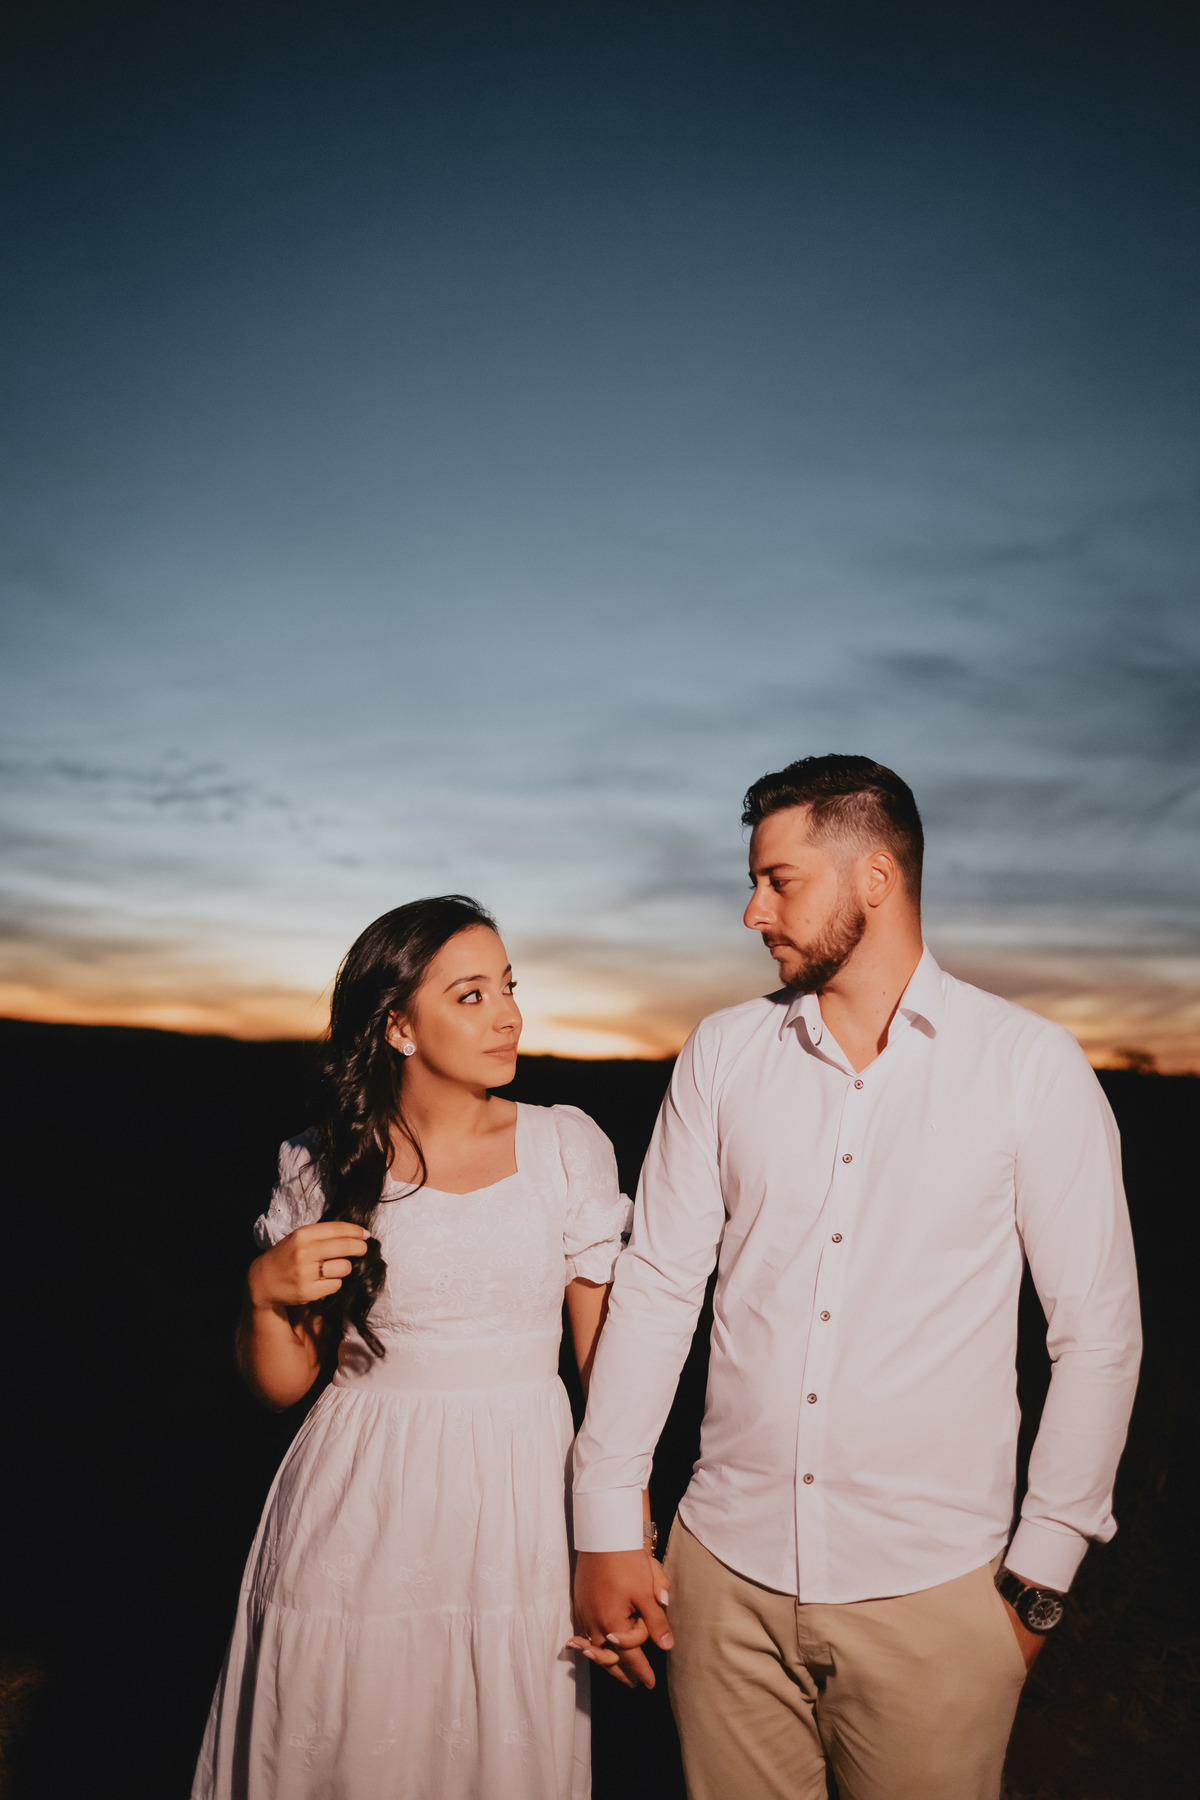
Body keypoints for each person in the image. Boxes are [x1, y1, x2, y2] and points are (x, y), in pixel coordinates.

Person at [570, 756, 1142, 1800]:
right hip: (722, 1581)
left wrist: (1039, 1584)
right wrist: (608, 1522)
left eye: (779, 881)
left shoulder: (1028, 1065)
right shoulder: (723, 1053)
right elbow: (657, 1287)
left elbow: (1097, 1339)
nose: (752, 911)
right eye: (754, 882)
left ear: (876, 877)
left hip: (938, 1601)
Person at [193, 895, 634, 1800]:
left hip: (518, 1508)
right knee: (349, 1743)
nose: (508, 1016)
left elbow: (608, 1371)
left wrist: (622, 1534)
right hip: (357, 1508)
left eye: (508, 987)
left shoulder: (566, 1147)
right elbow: (284, 1385)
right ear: (397, 1026)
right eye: (471, 996)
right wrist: (264, 1295)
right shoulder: (322, 1163)